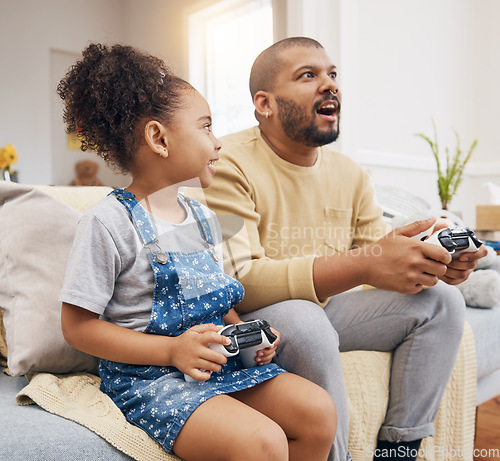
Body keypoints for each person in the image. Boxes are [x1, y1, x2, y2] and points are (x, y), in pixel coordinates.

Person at [197, 37, 487, 461]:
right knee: (306, 317)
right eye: (308, 75)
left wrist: (430, 267)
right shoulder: (228, 162)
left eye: (332, 74)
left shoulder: (349, 173)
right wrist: (364, 266)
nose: (329, 85)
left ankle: (398, 450)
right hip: (262, 316)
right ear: (265, 103)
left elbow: (378, 261)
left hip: (325, 309)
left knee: (442, 302)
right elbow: (239, 280)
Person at [57, 42, 336, 461]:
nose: (218, 142)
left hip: (217, 366)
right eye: (206, 127)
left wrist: (245, 335)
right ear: (159, 138)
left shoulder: (202, 217)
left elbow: (213, 295)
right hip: (151, 379)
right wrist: (171, 350)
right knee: (265, 442)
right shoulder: (107, 222)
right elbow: (77, 327)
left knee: (318, 412)